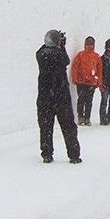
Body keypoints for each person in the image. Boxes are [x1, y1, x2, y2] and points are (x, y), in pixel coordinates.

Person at [35, 29, 81, 164]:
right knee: (68, 127)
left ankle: (46, 154)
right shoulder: (60, 55)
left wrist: (58, 44)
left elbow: (43, 50)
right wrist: (62, 46)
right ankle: (74, 155)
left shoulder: (40, 54)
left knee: (45, 127)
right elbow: (65, 59)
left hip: (44, 97)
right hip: (61, 97)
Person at [71, 36, 103, 126]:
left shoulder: (96, 57)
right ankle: (81, 117)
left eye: (91, 44)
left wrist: (98, 81)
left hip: (91, 83)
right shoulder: (80, 55)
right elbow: (75, 67)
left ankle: (87, 118)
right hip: (81, 82)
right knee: (81, 100)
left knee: (88, 102)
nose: (90, 46)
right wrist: (75, 79)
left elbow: (100, 70)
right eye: (88, 44)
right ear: (85, 44)